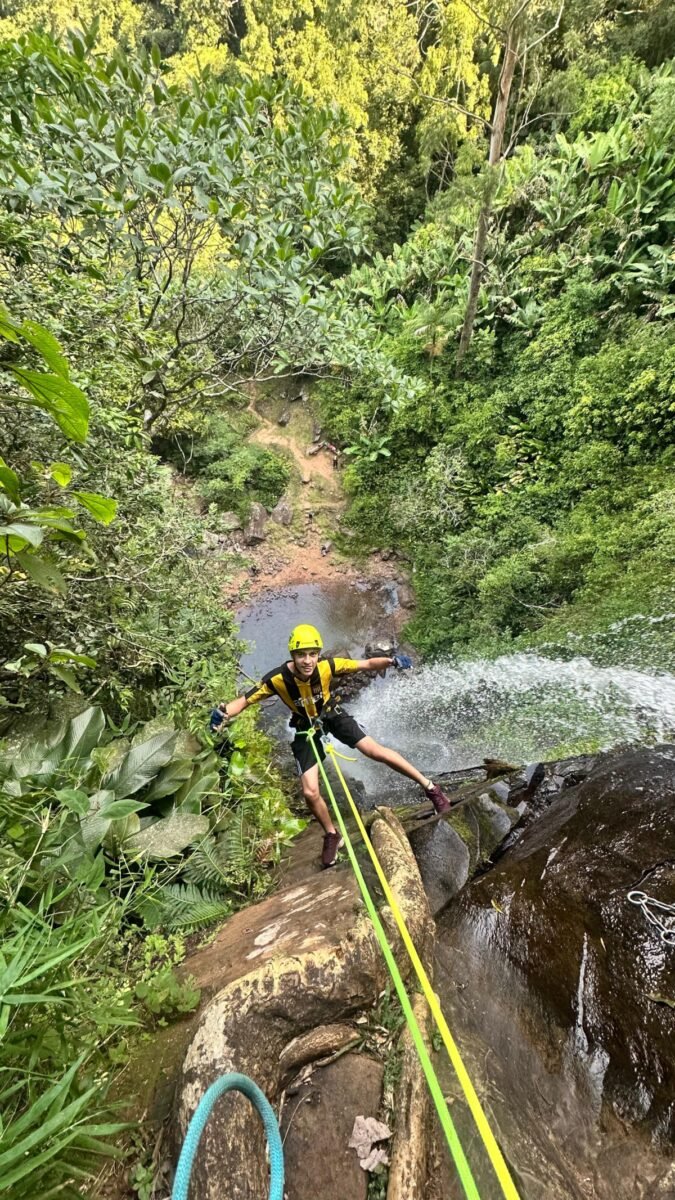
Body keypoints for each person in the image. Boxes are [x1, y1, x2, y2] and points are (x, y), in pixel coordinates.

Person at [212, 623, 453, 869]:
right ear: (292, 655)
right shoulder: (277, 680)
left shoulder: (328, 667)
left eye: (312, 654)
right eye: (301, 655)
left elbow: (365, 664)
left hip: (332, 715)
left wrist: (392, 661)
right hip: (305, 728)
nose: (307, 661)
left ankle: (431, 788)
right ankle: (332, 834)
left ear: (318, 654)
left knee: (374, 751)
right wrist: (223, 714)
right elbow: (244, 701)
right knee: (310, 792)